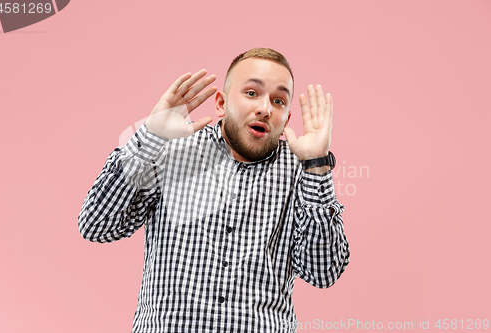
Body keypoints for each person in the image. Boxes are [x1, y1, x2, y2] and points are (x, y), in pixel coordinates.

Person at [78, 48, 350, 333]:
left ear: (287, 118)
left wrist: (317, 165)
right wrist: (151, 136)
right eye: (252, 93)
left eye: (278, 101)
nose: (265, 109)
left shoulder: (301, 170)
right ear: (220, 103)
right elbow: (97, 226)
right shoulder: (172, 150)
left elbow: (323, 272)